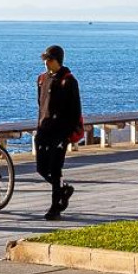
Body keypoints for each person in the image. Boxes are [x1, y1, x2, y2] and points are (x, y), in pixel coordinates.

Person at [35, 45, 84, 221]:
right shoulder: (41, 79)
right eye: (45, 59)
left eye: (49, 59)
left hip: (60, 132)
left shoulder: (69, 80)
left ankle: (55, 207)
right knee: (41, 168)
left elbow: (75, 110)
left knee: (55, 169)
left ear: (57, 60)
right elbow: (40, 105)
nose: (45, 63)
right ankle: (64, 189)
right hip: (43, 129)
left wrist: (67, 134)